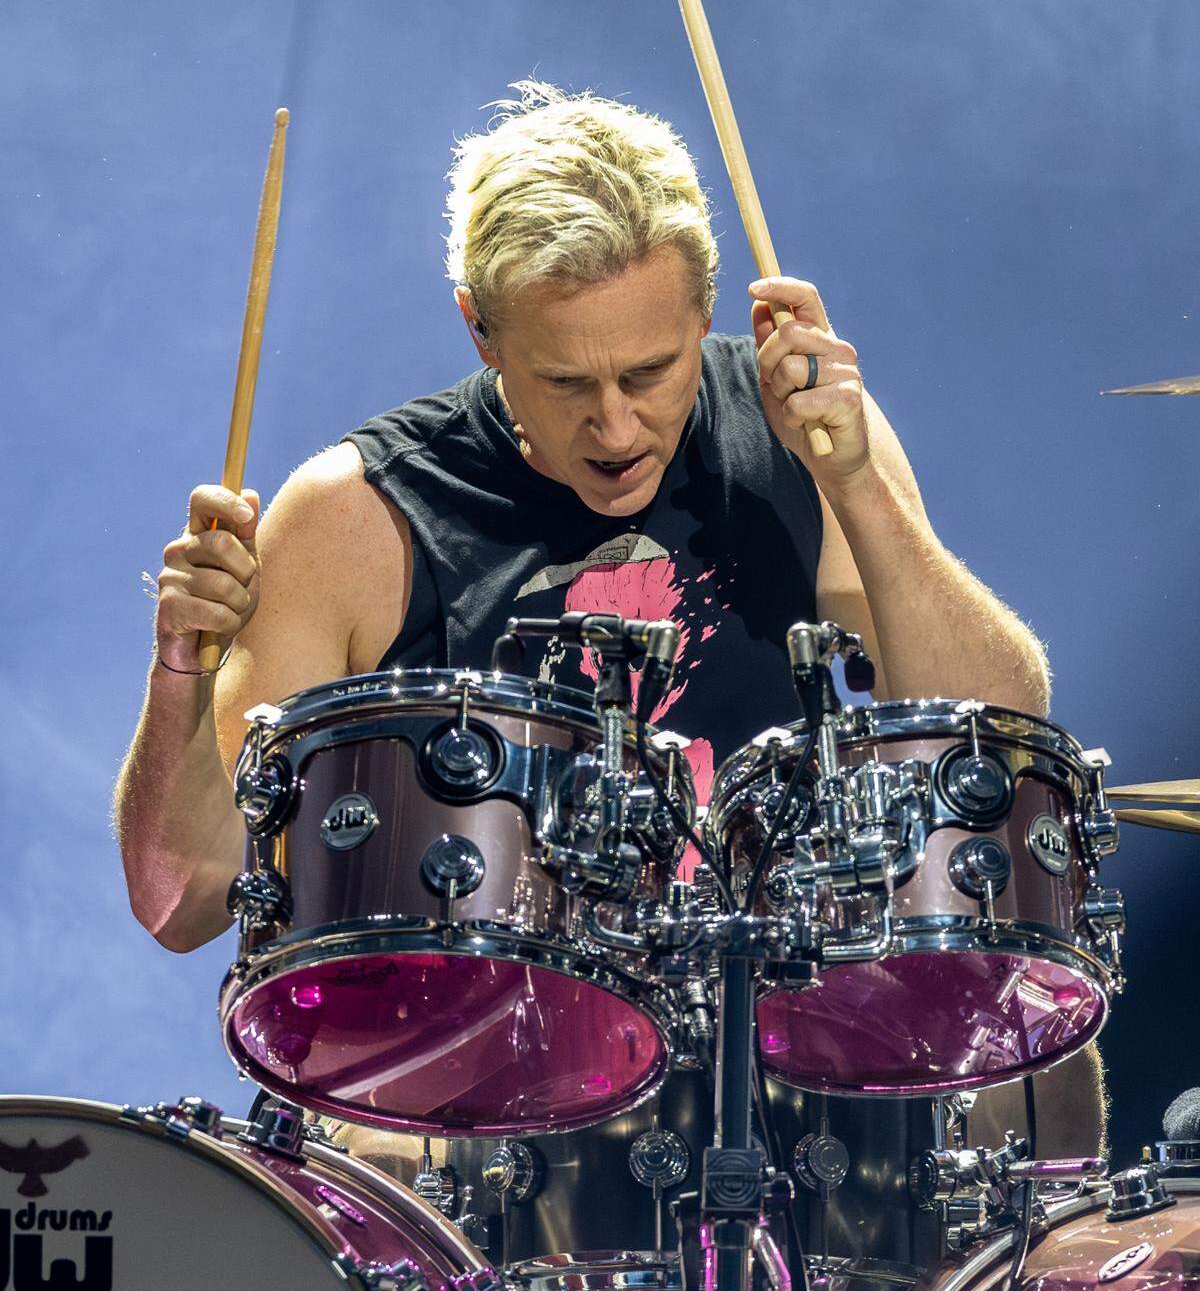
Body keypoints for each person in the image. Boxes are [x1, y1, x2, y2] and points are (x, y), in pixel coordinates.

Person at [113, 81, 1102, 1154]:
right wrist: (178, 671)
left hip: (781, 1068)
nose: (617, 425)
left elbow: (998, 727)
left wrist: (858, 485)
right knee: (372, 1141)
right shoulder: (354, 517)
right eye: (567, 380)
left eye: (651, 371)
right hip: (488, 1098)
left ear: (711, 309)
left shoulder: (798, 431)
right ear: (480, 331)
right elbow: (187, 901)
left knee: (1029, 1044)